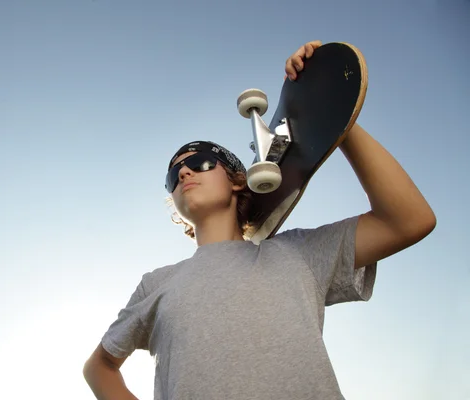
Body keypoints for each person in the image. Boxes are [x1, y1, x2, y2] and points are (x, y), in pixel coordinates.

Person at [82, 41, 436, 400]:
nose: (185, 171)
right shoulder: (156, 283)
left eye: (201, 161)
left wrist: (329, 110)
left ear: (238, 180)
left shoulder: (298, 254)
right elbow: (99, 367)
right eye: (174, 175)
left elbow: (409, 220)